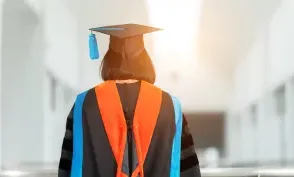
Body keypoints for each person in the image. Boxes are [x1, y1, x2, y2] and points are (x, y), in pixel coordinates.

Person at [58, 23, 201, 177]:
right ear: (144, 59)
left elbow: (68, 164)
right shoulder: (170, 106)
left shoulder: (85, 103)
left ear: (108, 59)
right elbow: (188, 168)